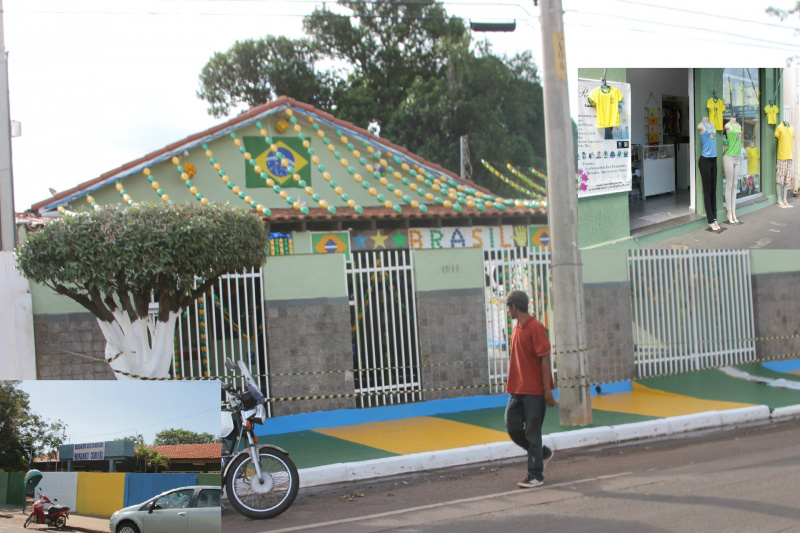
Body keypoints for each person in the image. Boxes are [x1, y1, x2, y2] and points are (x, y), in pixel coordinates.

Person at [503, 290, 556, 489]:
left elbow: (544, 358)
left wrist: (547, 391)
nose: (508, 311)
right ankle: (541, 453)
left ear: (514, 307)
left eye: (508, 307)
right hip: (517, 390)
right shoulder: (516, 328)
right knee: (512, 426)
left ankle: (536, 475)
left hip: (534, 392)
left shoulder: (536, 328)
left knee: (533, 433)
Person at [697, 117, 720, 231]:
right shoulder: (701, 126)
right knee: (707, 190)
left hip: (713, 160)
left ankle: (715, 218)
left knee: (713, 190)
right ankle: (710, 220)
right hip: (705, 161)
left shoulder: (711, 124)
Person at [723, 117, 742, 224]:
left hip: (737, 157)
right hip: (729, 157)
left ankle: (734, 211)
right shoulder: (727, 125)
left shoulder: (739, 126)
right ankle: (729, 212)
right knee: (729, 185)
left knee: (735, 185)